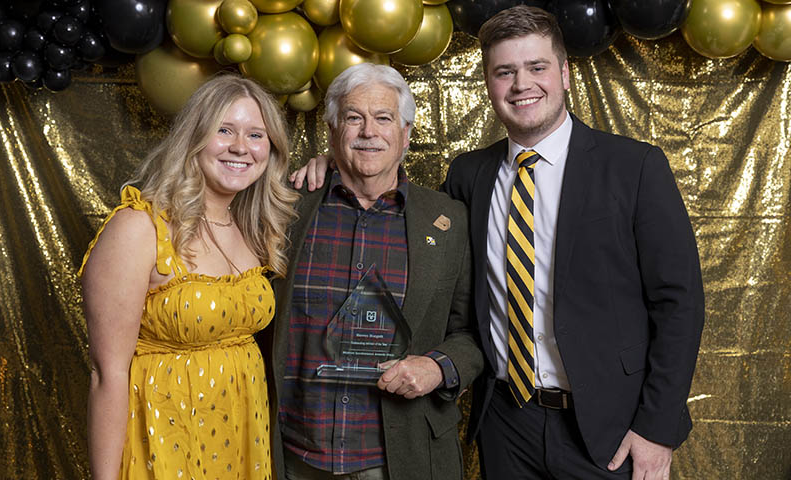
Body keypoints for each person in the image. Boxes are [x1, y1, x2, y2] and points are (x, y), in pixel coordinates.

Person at [291, 6, 705, 479]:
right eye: (504, 71)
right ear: (488, 83)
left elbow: (680, 303)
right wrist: (336, 162)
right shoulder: (469, 176)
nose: (521, 84)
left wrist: (656, 427)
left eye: (537, 67)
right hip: (507, 423)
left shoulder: (634, 168)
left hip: (611, 428)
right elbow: (408, 225)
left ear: (565, 74)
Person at [264, 63, 484, 480]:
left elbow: (473, 332)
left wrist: (438, 366)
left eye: (384, 118)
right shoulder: (284, 209)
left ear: (405, 135)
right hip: (294, 456)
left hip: (402, 457)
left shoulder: (449, 221)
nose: (369, 131)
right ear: (332, 132)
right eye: (353, 118)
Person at [80, 74, 298, 480]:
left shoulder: (255, 229)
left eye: (256, 135)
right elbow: (106, 375)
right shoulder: (140, 227)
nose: (240, 147)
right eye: (225, 130)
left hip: (240, 441)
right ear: (193, 137)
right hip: (162, 439)